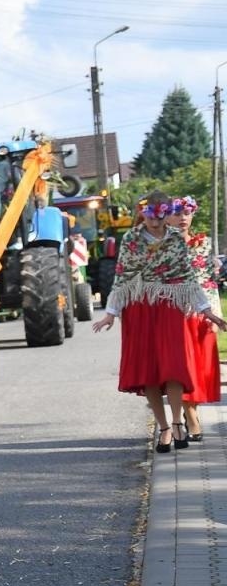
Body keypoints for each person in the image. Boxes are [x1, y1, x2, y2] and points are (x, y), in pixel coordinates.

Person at [93, 191, 227, 452]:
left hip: (169, 307)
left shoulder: (176, 239)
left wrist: (207, 310)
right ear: (142, 213)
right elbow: (122, 277)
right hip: (140, 309)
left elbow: (187, 276)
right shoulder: (131, 240)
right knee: (150, 370)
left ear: (166, 213)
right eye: (150, 216)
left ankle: (178, 423)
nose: (155, 222)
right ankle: (164, 428)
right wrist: (111, 312)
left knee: (174, 367)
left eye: (160, 215)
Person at [168, 196, 220, 440]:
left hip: (201, 314)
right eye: (177, 213)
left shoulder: (203, 243)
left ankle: (193, 413)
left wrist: (215, 314)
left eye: (187, 213)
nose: (183, 218)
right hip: (174, 316)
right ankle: (190, 418)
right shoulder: (162, 245)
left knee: (201, 368)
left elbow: (210, 280)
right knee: (183, 369)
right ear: (168, 216)